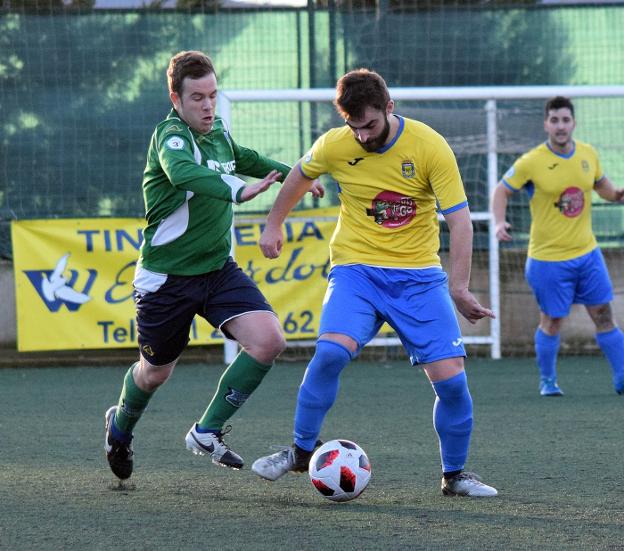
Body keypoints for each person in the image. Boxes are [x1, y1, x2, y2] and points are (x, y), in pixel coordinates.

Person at [251, 69, 498, 497]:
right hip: (357, 271)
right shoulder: (335, 144)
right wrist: (274, 224)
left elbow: (460, 223)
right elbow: (299, 174)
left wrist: (459, 287)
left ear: (389, 108)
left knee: (453, 383)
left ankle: (454, 475)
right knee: (329, 353)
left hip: (419, 279)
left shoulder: (429, 146)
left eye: (370, 125)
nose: (363, 136)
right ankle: (299, 451)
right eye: (354, 127)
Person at [104, 50, 323, 480]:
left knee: (268, 340)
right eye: (198, 98)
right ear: (176, 99)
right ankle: (120, 430)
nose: (208, 106)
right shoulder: (170, 139)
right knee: (154, 374)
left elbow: (244, 156)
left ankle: (207, 430)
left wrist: (295, 174)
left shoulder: (218, 129)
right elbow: (185, 173)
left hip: (217, 270)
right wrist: (239, 192)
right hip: (166, 280)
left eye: (213, 95)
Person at [491, 96, 624, 397]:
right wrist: (499, 223)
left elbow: (601, 184)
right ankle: (548, 381)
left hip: (588, 254)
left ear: (573, 123)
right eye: (555, 120)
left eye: (566, 120)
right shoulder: (531, 162)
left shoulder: (588, 154)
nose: (561, 126)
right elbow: (501, 191)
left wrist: (616, 194)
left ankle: (622, 377)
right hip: (548, 260)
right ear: (546, 124)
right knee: (551, 321)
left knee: (604, 314)